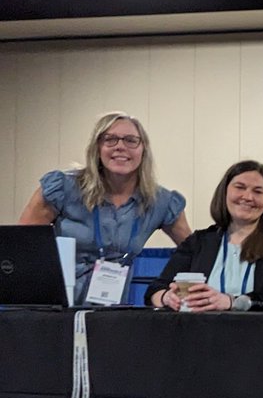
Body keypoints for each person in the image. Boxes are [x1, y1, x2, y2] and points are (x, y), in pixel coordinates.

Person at [18, 112, 191, 305]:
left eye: (131, 140)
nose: (120, 146)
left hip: (112, 315)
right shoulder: (63, 188)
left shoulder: (161, 201)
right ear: (97, 148)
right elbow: (23, 247)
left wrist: (166, 291)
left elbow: (194, 251)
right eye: (110, 139)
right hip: (56, 309)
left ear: (143, 150)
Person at [146, 160, 263, 311]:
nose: (248, 197)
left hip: (258, 335)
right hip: (199, 333)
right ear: (225, 192)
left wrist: (230, 301)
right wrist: (167, 297)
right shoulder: (197, 242)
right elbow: (154, 291)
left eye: (258, 191)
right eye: (240, 187)